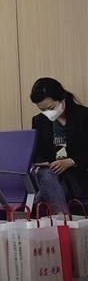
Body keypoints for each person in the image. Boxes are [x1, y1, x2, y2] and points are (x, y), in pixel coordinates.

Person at [29, 78, 88, 214]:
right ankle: (63, 220)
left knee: (43, 196)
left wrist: (71, 161)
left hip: (78, 175)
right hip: (51, 174)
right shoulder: (39, 121)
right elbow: (38, 151)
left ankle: (60, 218)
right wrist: (42, 163)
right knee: (46, 174)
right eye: (42, 110)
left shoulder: (83, 116)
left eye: (50, 108)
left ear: (61, 98)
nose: (47, 113)